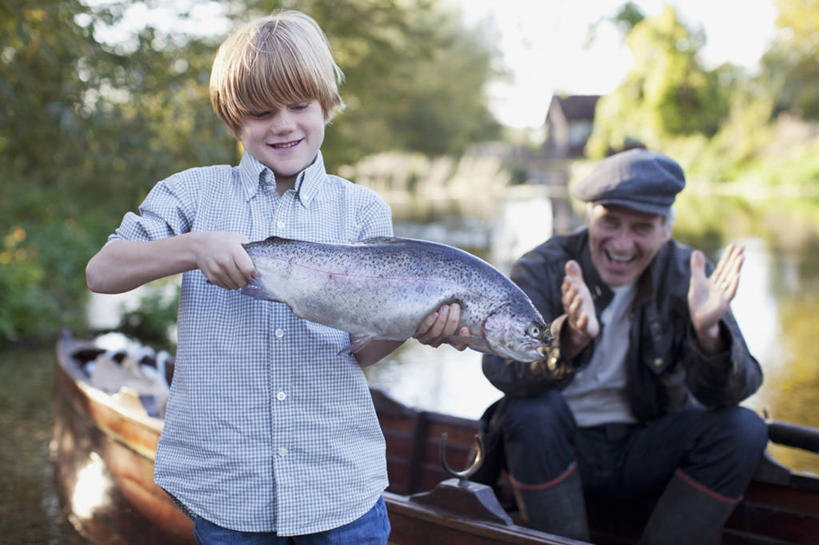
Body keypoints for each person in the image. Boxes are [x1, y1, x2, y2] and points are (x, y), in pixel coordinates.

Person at [85, 11, 465, 545]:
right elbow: (103, 272)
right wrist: (195, 247)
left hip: (340, 488)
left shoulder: (362, 211)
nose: (283, 125)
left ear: (328, 106)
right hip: (225, 489)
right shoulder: (191, 195)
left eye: (300, 106)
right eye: (261, 112)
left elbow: (362, 348)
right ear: (233, 119)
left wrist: (412, 325)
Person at [478, 148, 768, 544]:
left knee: (745, 428)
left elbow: (734, 391)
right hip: (558, 448)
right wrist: (570, 339)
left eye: (642, 228)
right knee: (531, 412)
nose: (622, 243)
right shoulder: (542, 267)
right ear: (589, 217)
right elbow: (499, 370)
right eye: (610, 222)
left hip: (648, 450)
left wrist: (708, 333)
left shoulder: (690, 273)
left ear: (666, 230)